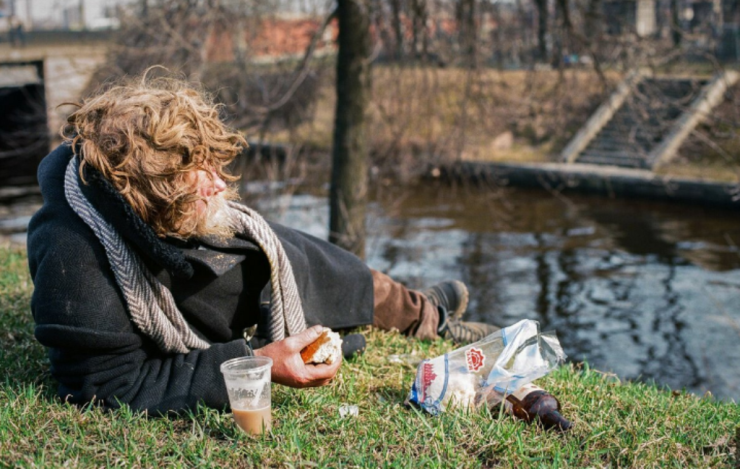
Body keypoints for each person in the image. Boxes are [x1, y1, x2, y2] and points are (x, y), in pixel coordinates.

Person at [27, 76, 496, 414]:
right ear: (145, 196)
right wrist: (254, 364)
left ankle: (424, 314)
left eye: (212, 163)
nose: (218, 183)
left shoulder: (168, 205)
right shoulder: (74, 260)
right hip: (180, 294)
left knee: (311, 260)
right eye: (197, 177)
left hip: (186, 250)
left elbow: (304, 258)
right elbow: (107, 386)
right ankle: (422, 313)